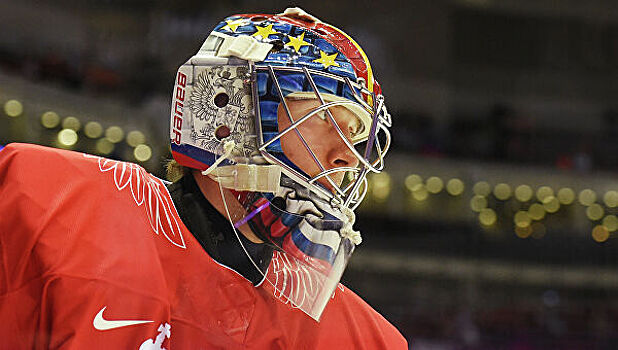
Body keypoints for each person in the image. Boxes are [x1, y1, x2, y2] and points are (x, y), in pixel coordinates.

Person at [0, 8, 406, 349]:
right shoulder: (56, 206)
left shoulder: (362, 338)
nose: (344, 158)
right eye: (325, 118)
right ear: (230, 107)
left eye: (356, 138)